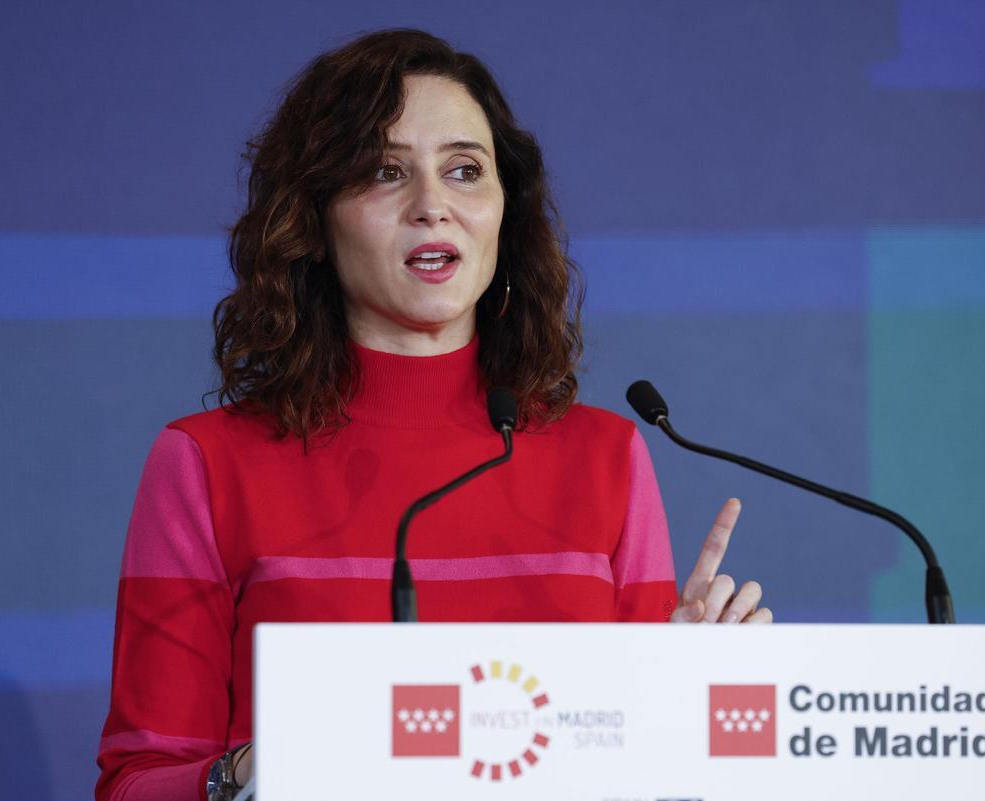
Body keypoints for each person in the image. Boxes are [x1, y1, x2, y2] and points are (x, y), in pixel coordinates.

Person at [95, 28, 772, 801]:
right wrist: (256, 773)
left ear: (503, 214)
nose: (433, 206)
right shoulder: (207, 463)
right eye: (386, 172)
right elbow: (134, 784)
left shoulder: (605, 456)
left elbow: (624, 771)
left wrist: (682, 719)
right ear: (314, 219)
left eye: (464, 171)